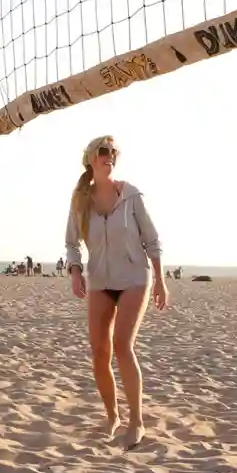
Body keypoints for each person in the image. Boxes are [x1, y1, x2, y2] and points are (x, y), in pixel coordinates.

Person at [64, 135, 167, 450]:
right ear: (91, 159)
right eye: (104, 152)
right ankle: (112, 417)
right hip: (100, 281)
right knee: (99, 352)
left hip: (135, 277)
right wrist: (76, 271)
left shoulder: (131, 195)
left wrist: (161, 280)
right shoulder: (81, 199)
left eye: (114, 153)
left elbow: (152, 239)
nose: (110, 157)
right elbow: (71, 242)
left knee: (123, 346)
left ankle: (137, 421)